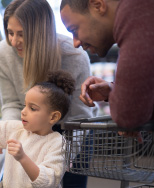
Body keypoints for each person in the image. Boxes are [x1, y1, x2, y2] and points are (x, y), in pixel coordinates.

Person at [0, 0, 97, 188]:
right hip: (31, 127)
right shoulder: (3, 53)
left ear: (41, 33)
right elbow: (12, 103)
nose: (14, 42)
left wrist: (63, 160)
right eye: (10, 32)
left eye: (21, 34)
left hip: (72, 129)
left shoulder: (74, 55)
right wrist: (9, 136)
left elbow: (78, 116)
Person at [60, 0, 154, 128]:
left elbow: (127, 116)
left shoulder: (137, 16)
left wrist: (123, 102)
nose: (75, 43)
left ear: (98, 6)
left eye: (74, 30)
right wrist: (113, 91)